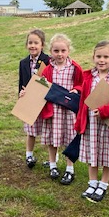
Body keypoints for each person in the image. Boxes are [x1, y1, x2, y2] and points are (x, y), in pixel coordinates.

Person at [76, 40, 109, 202]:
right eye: (98, 56)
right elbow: (84, 99)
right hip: (91, 123)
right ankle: (92, 182)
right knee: (93, 152)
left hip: (108, 125)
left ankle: (103, 184)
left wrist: (105, 111)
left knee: (106, 154)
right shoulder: (89, 76)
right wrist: (80, 119)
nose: (101, 60)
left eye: (106, 56)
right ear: (93, 58)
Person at [39, 33, 83, 185]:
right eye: (56, 51)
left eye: (63, 51)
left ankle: (70, 168)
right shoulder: (47, 69)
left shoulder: (75, 68)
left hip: (68, 111)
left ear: (68, 51)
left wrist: (76, 89)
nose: (60, 54)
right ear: (51, 51)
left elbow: (81, 84)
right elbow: (40, 86)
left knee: (69, 137)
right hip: (53, 110)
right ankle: (53, 165)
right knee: (53, 138)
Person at [18, 29, 51, 168]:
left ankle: (52, 159)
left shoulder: (48, 60)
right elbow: (21, 83)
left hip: (45, 99)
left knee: (48, 130)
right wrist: (21, 95)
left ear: (42, 45)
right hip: (30, 100)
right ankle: (29, 155)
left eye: (36, 43)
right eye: (30, 42)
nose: (33, 45)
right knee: (31, 130)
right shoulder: (23, 62)